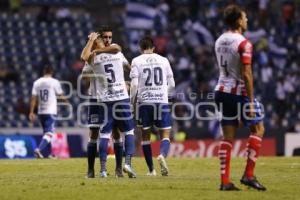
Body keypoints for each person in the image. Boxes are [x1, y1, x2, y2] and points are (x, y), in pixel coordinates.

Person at [214, 5, 266, 191]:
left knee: (228, 136)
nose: (247, 20)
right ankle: (249, 175)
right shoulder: (244, 43)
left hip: (220, 90)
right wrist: (250, 102)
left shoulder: (219, 40)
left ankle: (225, 181)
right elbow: (247, 73)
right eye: (244, 17)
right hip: (238, 93)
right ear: (238, 21)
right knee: (258, 129)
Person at [81, 27, 136, 178]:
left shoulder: (114, 51)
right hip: (96, 98)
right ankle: (92, 170)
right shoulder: (93, 56)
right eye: (102, 39)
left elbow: (125, 63)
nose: (105, 41)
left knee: (115, 133)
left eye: (108, 38)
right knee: (94, 133)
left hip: (106, 98)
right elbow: (85, 78)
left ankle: (118, 169)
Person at [130, 36, 175, 176]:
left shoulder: (136, 61)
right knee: (165, 135)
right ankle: (162, 155)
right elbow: (172, 84)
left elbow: (135, 85)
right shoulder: (164, 60)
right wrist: (163, 94)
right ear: (153, 48)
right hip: (161, 101)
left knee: (145, 137)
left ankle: (151, 170)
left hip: (145, 103)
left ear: (140, 48)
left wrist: (132, 101)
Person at [29, 65, 67, 158]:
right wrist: (66, 102)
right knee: (49, 133)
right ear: (52, 72)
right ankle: (38, 149)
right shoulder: (54, 82)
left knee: (46, 133)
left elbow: (33, 98)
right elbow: (60, 95)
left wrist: (31, 112)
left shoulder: (37, 82)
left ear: (43, 72)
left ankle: (50, 154)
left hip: (41, 112)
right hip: (51, 111)